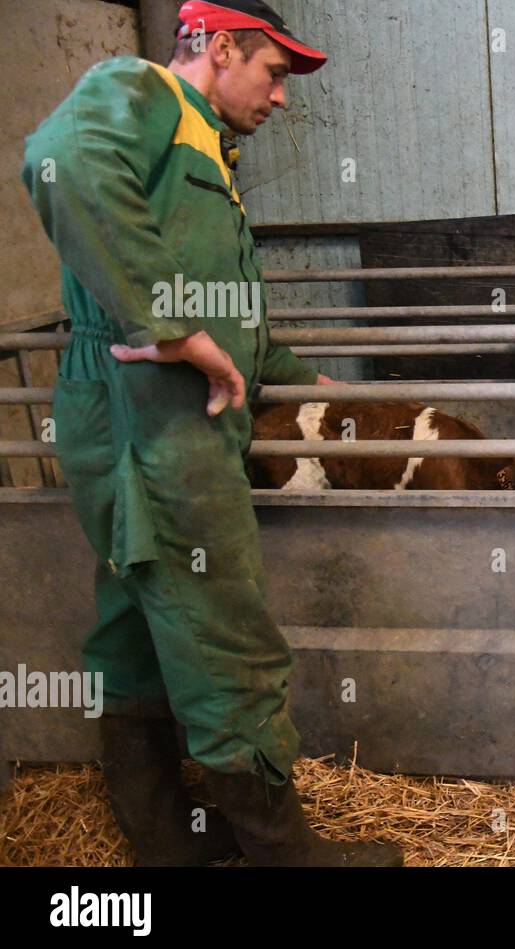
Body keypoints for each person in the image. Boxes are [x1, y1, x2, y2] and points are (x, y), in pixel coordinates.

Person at [22, 0, 401, 866]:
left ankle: (165, 837)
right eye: (272, 73)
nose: (280, 99)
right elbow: (57, 160)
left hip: (145, 418)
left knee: (136, 620)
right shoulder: (143, 90)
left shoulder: (204, 152)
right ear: (219, 46)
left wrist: (312, 387)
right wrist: (169, 329)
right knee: (225, 630)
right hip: (158, 425)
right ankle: (283, 856)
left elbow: (235, 329)